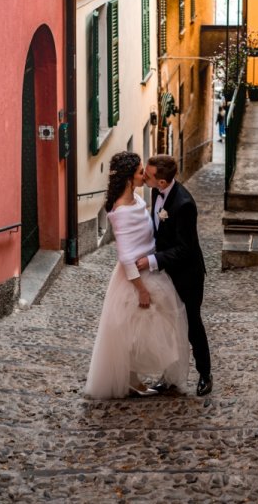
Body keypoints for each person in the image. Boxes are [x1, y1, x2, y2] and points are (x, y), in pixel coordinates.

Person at [85, 151, 190, 400]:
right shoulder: (121, 211)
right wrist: (141, 289)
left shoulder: (138, 197)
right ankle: (131, 380)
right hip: (135, 280)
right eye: (140, 171)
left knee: (158, 329)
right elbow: (125, 256)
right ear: (129, 178)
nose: (144, 175)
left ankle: (149, 378)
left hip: (151, 270)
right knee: (133, 334)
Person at [137, 154, 213, 397]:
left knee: (191, 325)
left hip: (187, 276)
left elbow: (185, 249)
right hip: (165, 275)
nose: (143, 177)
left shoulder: (184, 204)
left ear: (161, 182)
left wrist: (152, 260)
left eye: (147, 175)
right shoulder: (155, 193)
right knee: (168, 326)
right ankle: (169, 377)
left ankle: (205, 374)